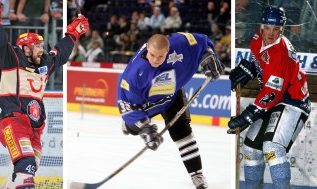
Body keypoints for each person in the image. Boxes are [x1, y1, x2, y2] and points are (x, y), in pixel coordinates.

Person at [0, 2, 89, 188]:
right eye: (37, 46)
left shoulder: (44, 62)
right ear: (26, 49)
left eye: (41, 45)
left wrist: (74, 33)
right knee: (26, 171)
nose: (41, 49)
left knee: (26, 172)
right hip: (13, 123)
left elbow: (60, 54)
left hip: (35, 129)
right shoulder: (13, 58)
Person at [117, 33, 225, 189]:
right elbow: (126, 105)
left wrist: (209, 55)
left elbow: (202, 41)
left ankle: (197, 175)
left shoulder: (180, 43)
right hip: (146, 104)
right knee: (133, 127)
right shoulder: (134, 73)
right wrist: (146, 129)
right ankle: (129, 126)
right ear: (147, 47)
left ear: (168, 50)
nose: (155, 60)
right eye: (152, 55)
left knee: (183, 133)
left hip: (171, 94)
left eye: (160, 56)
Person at [228, 6, 310, 189]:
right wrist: (250, 69)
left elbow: (272, 93)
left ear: (282, 29)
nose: (271, 33)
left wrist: (247, 116)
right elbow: (262, 66)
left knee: (273, 148)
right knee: (250, 149)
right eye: (267, 27)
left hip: (293, 101)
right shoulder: (257, 39)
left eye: (276, 29)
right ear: (261, 26)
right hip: (274, 99)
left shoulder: (280, 54)